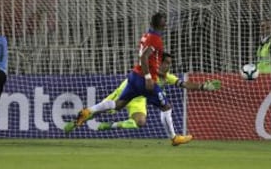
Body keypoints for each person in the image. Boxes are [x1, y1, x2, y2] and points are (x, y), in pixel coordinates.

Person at [74, 12, 193, 146]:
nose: (166, 24)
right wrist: (148, 78)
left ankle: (88, 111)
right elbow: (144, 57)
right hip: (145, 79)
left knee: (118, 104)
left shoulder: (146, 35)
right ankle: (174, 138)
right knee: (166, 107)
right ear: (161, 24)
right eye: (164, 21)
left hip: (134, 76)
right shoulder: (155, 39)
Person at [64, 52, 221, 133]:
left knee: (141, 123)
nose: (167, 67)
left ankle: (110, 126)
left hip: (139, 100)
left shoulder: (166, 76)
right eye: (165, 63)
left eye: (169, 64)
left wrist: (202, 86)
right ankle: (76, 123)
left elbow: (183, 83)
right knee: (102, 111)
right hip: (127, 90)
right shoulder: (147, 68)